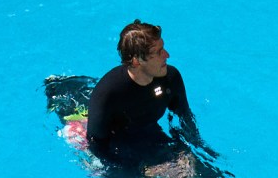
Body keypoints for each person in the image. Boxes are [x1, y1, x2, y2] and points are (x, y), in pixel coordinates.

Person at [84, 21, 198, 157]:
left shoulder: (171, 78)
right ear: (136, 61)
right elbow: (97, 147)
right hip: (117, 146)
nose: (167, 55)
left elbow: (184, 117)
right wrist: (140, 173)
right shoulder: (107, 94)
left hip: (149, 135)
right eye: (158, 52)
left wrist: (186, 150)